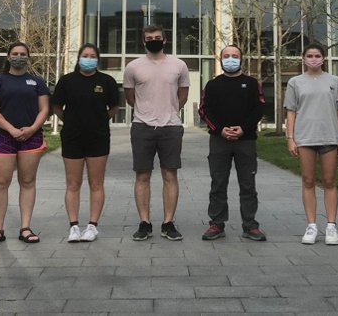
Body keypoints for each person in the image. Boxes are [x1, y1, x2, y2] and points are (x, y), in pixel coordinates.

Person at [123, 25, 190, 241]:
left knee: (170, 175)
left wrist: (168, 111)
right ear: (143, 41)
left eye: (157, 37)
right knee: (142, 175)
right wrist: (147, 111)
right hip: (142, 126)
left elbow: (183, 96)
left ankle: (168, 222)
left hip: (171, 127)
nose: (154, 40)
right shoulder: (133, 67)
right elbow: (130, 97)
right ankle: (144, 223)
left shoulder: (179, 65)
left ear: (165, 39)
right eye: (149, 38)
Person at [0, 42, 50, 245]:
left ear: (28, 57)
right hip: (3, 137)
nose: (19, 56)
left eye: (23, 53)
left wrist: (31, 129)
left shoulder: (37, 82)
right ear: (8, 57)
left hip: (32, 138)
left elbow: (44, 109)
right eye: (15, 53)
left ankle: (25, 228)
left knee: (27, 182)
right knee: (1, 183)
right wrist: (11, 129)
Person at [284, 43, 338, 245]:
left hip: (329, 137)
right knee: (308, 180)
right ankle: (311, 226)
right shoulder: (295, 82)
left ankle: (331, 226)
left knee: (329, 181)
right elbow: (291, 111)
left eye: (317, 55)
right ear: (304, 59)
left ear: (324, 58)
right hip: (305, 137)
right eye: (310, 55)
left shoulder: (335, 81)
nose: (313, 59)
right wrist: (290, 138)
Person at [199, 45, 266, 241]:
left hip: (246, 141)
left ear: (241, 59)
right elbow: (204, 110)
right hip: (219, 141)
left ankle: (250, 225)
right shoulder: (212, 85)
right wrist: (220, 129)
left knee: (248, 184)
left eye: (234, 56)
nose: (230, 59)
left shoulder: (252, 84)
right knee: (218, 183)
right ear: (220, 60)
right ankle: (216, 224)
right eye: (226, 56)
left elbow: (259, 109)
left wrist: (243, 128)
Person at [52, 43, 119, 242]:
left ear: (97, 59)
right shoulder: (67, 81)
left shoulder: (106, 81)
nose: (88, 58)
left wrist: (98, 120)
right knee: (73, 183)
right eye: (85, 55)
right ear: (79, 58)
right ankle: (74, 226)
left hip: (98, 138)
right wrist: (71, 121)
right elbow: (56, 106)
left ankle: (92, 226)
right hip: (72, 137)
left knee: (96, 183)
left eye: (92, 56)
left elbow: (114, 107)